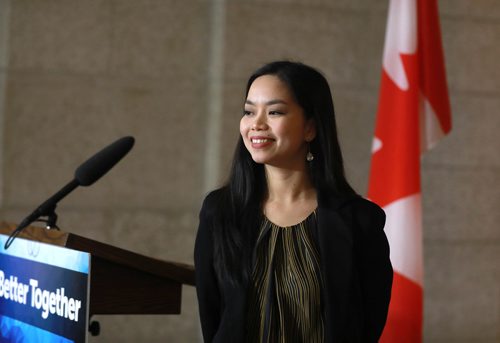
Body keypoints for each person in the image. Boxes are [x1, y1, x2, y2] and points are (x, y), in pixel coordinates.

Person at [194, 61, 392, 342]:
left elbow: (367, 323)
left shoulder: (359, 220)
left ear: (310, 127)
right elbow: (212, 316)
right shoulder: (221, 212)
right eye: (249, 112)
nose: (256, 124)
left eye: (274, 112)